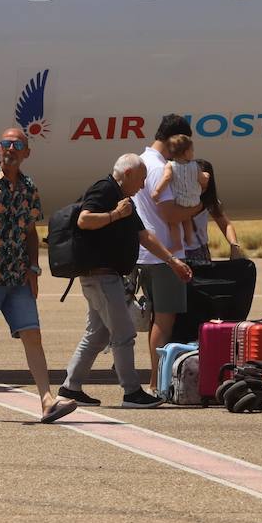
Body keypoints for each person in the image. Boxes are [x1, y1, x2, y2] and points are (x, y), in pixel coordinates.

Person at [0, 128, 76, 424]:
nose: (10, 148)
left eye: (17, 144)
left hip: (18, 278)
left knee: (33, 335)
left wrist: (33, 268)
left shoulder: (28, 188)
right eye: (5, 144)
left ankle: (47, 401)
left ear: (26, 152)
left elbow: (31, 232)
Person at [58, 153, 192, 409]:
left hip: (105, 277)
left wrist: (172, 261)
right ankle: (131, 392)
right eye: (141, 179)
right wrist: (114, 215)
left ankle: (70, 387)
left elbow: (144, 236)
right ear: (128, 174)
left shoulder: (124, 200)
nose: (142, 186)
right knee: (123, 333)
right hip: (100, 277)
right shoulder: (105, 189)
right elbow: (84, 220)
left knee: (97, 335)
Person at [133, 114, 205, 392]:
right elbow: (169, 211)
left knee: (157, 319)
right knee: (164, 320)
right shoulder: (159, 166)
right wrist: (199, 207)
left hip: (149, 253)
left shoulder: (143, 160)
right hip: (164, 254)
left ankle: (156, 378)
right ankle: (156, 380)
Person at [148, 134, 207, 255]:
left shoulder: (170, 165)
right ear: (186, 153)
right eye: (192, 150)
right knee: (187, 217)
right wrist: (205, 177)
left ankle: (177, 244)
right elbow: (202, 179)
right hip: (193, 200)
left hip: (179, 200)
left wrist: (157, 191)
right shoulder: (195, 166)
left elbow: (167, 178)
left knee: (174, 222)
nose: (193, 153)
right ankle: (189, 240)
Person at [186, 158, 243, 263]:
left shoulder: (209, 201)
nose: (199, 190)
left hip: (200, 252)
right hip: (179, 253)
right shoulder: (176, 199)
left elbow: (226, 225)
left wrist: (234, 246)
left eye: (204, 188)